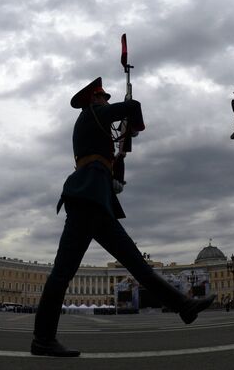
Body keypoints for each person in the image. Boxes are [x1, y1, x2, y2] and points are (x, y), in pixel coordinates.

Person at [31, 77, 216, 357]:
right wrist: (134, 121)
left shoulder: (96, 124)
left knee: (135, 263)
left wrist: (123, 148)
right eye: (104, 95)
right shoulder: (93, 114)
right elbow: (134, 106)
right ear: (94, 99)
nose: (107, 98)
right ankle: (42, 340)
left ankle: (184, 306)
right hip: (87, 200)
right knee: (64, 274)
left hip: (95, 201)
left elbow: (109, 161)